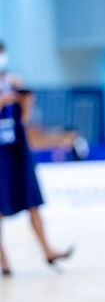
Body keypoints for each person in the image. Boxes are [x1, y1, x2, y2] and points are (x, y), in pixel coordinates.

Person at [0, 43, 75, 275]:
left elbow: (23, 121)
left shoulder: (11, 83)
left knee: (32, 202)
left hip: (16, 151)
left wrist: (26, 103)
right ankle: (3, 260)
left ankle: (47, 249)